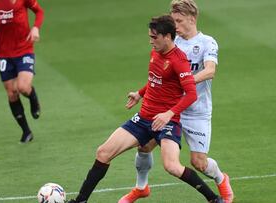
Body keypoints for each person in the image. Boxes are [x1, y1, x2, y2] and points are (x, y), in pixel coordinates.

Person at [68, 15, 223, 203]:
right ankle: (80, 201)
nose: (150, 41)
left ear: (167, 36)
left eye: (154, 37)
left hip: (166, 122)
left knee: (172, 166)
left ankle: (214, 199)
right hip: (143, 119)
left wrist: (168, 114)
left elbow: (191, 94)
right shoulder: (155, 52)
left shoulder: (179, 60)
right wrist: (140, 93)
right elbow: (154, 79)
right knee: (103, 152)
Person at [118, 0, 234, 203]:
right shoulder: (172, 41)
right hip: (169, 110)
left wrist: (185, 81)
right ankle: (141, 188)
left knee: (199, 162)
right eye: (173, 21)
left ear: (192, 19)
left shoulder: (207, 42)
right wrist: (140, 93)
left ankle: (220, 178)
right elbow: (158, 77)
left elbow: (210, 70)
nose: (175, 26)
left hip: (197, 111)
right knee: (143, 146)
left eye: (179, 21)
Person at [0, 0, 44, 143]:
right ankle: (26, 131)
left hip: (24, 50)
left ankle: (33, 98)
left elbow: (39, 11)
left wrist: (36, 28)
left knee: (23, 87)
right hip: (4, 55)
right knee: (12, 93)